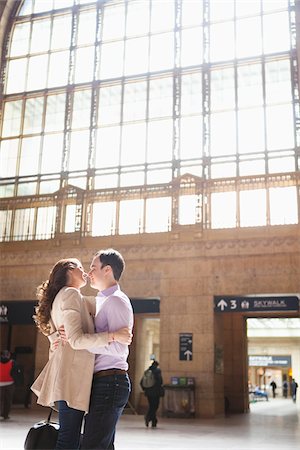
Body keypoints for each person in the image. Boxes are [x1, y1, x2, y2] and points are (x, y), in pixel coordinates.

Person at [31, 258, 132, 450]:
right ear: (69, 271)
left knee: (73, 439)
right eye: (81, 268)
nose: (86, 272)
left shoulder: (70, 296)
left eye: (91, 268)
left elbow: (98, 305)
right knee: (69, 440)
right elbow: (76, 340)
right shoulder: (70, 293)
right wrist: (113, 335)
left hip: (70, 377)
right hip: (71, 378)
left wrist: (57, 338)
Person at [81, 248, 134, 450]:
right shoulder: (102, 300)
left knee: (92, 445)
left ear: (107, 270)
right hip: (103, 381)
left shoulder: (116, 301)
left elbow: (120, 348)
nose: (89, 273)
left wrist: (86, 341)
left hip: (110, 382)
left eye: (93, 268)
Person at [140, 360, 163, 428]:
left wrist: (146, 389)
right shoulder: (157, 371)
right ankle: (149, 418)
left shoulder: (147, 371)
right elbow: (160, 381)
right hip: (155, 392)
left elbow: (141, 382)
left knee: (151, 406)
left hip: (148, 392)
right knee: (155, 406)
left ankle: (153, 421)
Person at [0, 350, 15, 420]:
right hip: (10, 383)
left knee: (2, 400)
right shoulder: (12, 362)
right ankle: (5, 414)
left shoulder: (12, 362)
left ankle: (3, 414)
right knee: (8, 400)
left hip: (2, 383)